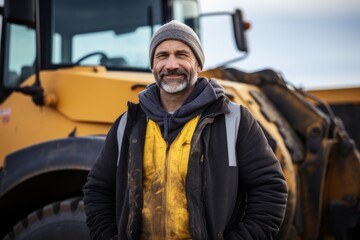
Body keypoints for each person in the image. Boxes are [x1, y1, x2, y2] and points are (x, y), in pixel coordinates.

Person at [83, 20, 288, 240]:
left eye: (182, 54)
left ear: (199, 64)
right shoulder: (127, 124)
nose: (171, 65)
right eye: (162, 56)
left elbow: (270, 190)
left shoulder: (234, 119)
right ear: (153, 65)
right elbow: (98, 190)